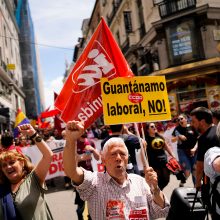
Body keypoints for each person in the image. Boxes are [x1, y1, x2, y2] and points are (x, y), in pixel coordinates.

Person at [63, 120, 170, 220]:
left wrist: (155, 189)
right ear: (103, 160)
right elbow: (71, 171)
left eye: (122, 154)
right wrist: (71, 140)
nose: (118, 158)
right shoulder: (94, 182)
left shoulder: (140, 182)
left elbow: (161, 211)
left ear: (128, 159)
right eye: (113, 154)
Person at [0, 123, 54, 219]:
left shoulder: (33, 179)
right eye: (4, 165)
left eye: (12, 162)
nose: (8, 167)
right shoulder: (2, 188)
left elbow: (48, 155)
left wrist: (33, 134)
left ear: (22, 163)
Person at [190, 107, 220, 189]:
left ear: (202, 122)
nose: (192, 124)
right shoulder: (218, 130)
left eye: (193, 121)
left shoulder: (204, 138)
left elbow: (200, 165)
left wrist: (198, 183)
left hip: (213, 180)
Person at [145, 122, 176, 190]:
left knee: (166, 179)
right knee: (157, 180)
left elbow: (166, 147)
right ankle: (157, 193)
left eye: (154, 126)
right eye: (152, 127)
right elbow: (143, 153)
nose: (154, 128)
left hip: (163, 160)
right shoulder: (145, 140)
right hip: (154, 162)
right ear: (147, 130)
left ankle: (159, 191)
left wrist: (172, 155)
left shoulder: (160, 137)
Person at [171, 114, 198, 186]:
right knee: (187, 171)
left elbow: (199, 139)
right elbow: (172, 140)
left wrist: (195, 148)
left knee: (195, 169)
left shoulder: (192, 127)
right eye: (178, 120)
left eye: (181, 119)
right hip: (182, 151)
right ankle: (183, 179)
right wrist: (178, 136)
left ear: (186, 119)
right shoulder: (177, 129)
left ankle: (197, 188)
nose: (180, 120)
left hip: (193, 151)